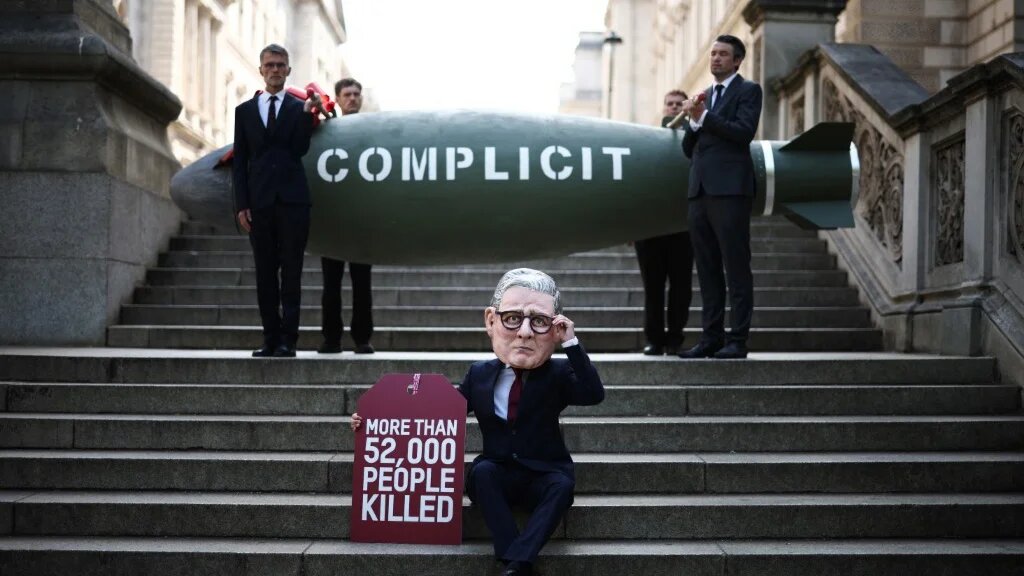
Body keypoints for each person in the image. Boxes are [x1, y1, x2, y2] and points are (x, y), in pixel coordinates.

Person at [352, 268, 604, 576]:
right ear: (491, 320)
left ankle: (516, 562)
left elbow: (593, 394)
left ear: (554, 328)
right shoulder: (480, 374)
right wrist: (374, 419)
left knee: (562, 487)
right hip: (498, 472)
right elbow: (441, 413)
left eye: (539, 321)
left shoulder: (559, 373)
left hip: (544, 473)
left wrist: (572, 343)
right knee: (482, 473)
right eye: (513, 318)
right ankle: (516, 559)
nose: (525, 332)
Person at [678, 35, 762, 360]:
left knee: (736, 268)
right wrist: (694, 120)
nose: (715, 58)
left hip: (731, 191)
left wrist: (703, 117)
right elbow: (688, 148)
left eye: (723, 54)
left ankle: (737, 339)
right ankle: (710, 338)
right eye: (713, 53)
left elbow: (743, 132)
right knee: (707, 269)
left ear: (737, 60)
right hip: (699, 192)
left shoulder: (748, 90)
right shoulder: (704, 95)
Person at [233, 43, 319, 358]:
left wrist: (308, 117)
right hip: (259, 203)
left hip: (293, 202)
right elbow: (240, 161)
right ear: (261, 70)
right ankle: (270, 338)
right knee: (265, 273)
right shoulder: (244, 111)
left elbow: (299, 149)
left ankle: (288, 341)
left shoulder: (299, 108)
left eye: (280, 65)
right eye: (269, 65)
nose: (275, 70)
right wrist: (241, 204)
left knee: (292, 272)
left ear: (288, 70)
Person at [634, 89, 695, 356]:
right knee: (653, 287)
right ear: (663, 108)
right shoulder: (650, 140)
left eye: (678, 104)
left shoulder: (696, 137)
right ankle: (655, 340)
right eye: (669, 104)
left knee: (681, 286)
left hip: (683, 226)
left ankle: (675, 338)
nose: (673, 107)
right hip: (651, 227)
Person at [318, 78, 375, 355]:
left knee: (362, 283)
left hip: (362, 220)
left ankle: (362, 338)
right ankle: (331, 338)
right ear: (338, 99)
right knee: (331, 283)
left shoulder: (371, 131)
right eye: (347, 94)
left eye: (356, 94)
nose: (352, 98)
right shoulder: (326, 130)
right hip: (333, 220)